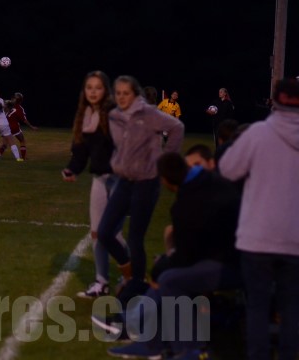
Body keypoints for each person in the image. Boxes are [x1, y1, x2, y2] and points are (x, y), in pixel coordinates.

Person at [102, 152, 242, 359]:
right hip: (233, 255)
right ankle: (148, 340)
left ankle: (188, 349)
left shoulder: (186, 205)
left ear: (165, 180)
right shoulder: (211, 182)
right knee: (168, 276)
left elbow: (185, 256)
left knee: (169, 279)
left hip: (233, 263)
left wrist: (161, 268)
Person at [219, 78, 299, 360]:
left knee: (257, 306)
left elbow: (228, 169)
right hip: (295, 238)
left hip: (258, 236)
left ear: (274, 101)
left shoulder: (258, 133)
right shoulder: (259, 133)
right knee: (292, 308)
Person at [96, 76, 184, 304]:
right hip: (125, 181)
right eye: (118, 93)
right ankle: (132, 275)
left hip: (147, 182)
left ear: (135, 94)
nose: (122, 97)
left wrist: (164, 160)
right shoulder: (115, 116)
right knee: (104, 232)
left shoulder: (149, 113)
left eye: (126, 92)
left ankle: (136, 286)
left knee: (135, 237)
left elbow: (177, 127)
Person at [61, 71, 127, 298]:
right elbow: (80, 150)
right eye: (89, 87)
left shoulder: (115, 113)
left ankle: (130, 277)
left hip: (120, 180)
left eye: (98, 87)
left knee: (113, 233)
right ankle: (101, 282)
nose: (93, 92)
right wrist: (72, 169)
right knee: (97, 232)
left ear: (106, 90)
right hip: (100, 179)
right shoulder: (85, 114)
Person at [0, 92, 38, 160]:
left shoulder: (8, 104)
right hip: (14, 127)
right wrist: (31, 127)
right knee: (22, 140)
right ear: (20, 101)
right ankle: (23, 157)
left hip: (5, 126)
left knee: (5, 144)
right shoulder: (19, 108)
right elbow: (24, 120)